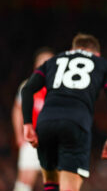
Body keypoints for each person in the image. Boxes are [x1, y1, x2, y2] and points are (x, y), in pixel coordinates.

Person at [21, 33, 107, 191]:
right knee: (69, 187)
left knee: (51, 184)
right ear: (96, 54)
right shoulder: (103, 64)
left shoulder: (53, 61)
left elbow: (27, 89)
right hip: (75, 123)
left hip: (45, 123)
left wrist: (27, 124)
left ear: (72, 50)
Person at [12, 47, 54, 191]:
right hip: (31, 139)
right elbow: (17, 110)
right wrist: (19, 136)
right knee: (25, 180)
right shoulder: (27, 86)